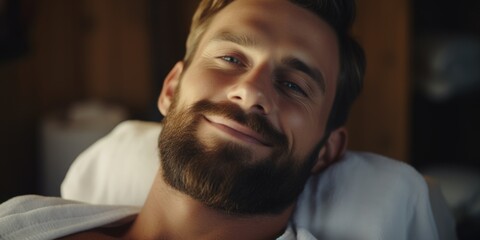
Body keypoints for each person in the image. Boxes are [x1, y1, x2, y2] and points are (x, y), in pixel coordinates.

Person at [0, 0, 456, 239]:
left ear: (327, 150)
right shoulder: (20, 220)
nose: (252, 90)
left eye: (295, 85)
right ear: (171, 88)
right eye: (231, 57)